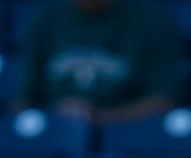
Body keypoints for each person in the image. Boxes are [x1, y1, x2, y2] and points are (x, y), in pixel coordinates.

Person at [13, 0, 182, 123]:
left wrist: (98, 117)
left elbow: (163, 100)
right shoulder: (45, 15)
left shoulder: (149, 15)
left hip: (126, 135)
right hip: (54, 132)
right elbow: (21, 101)